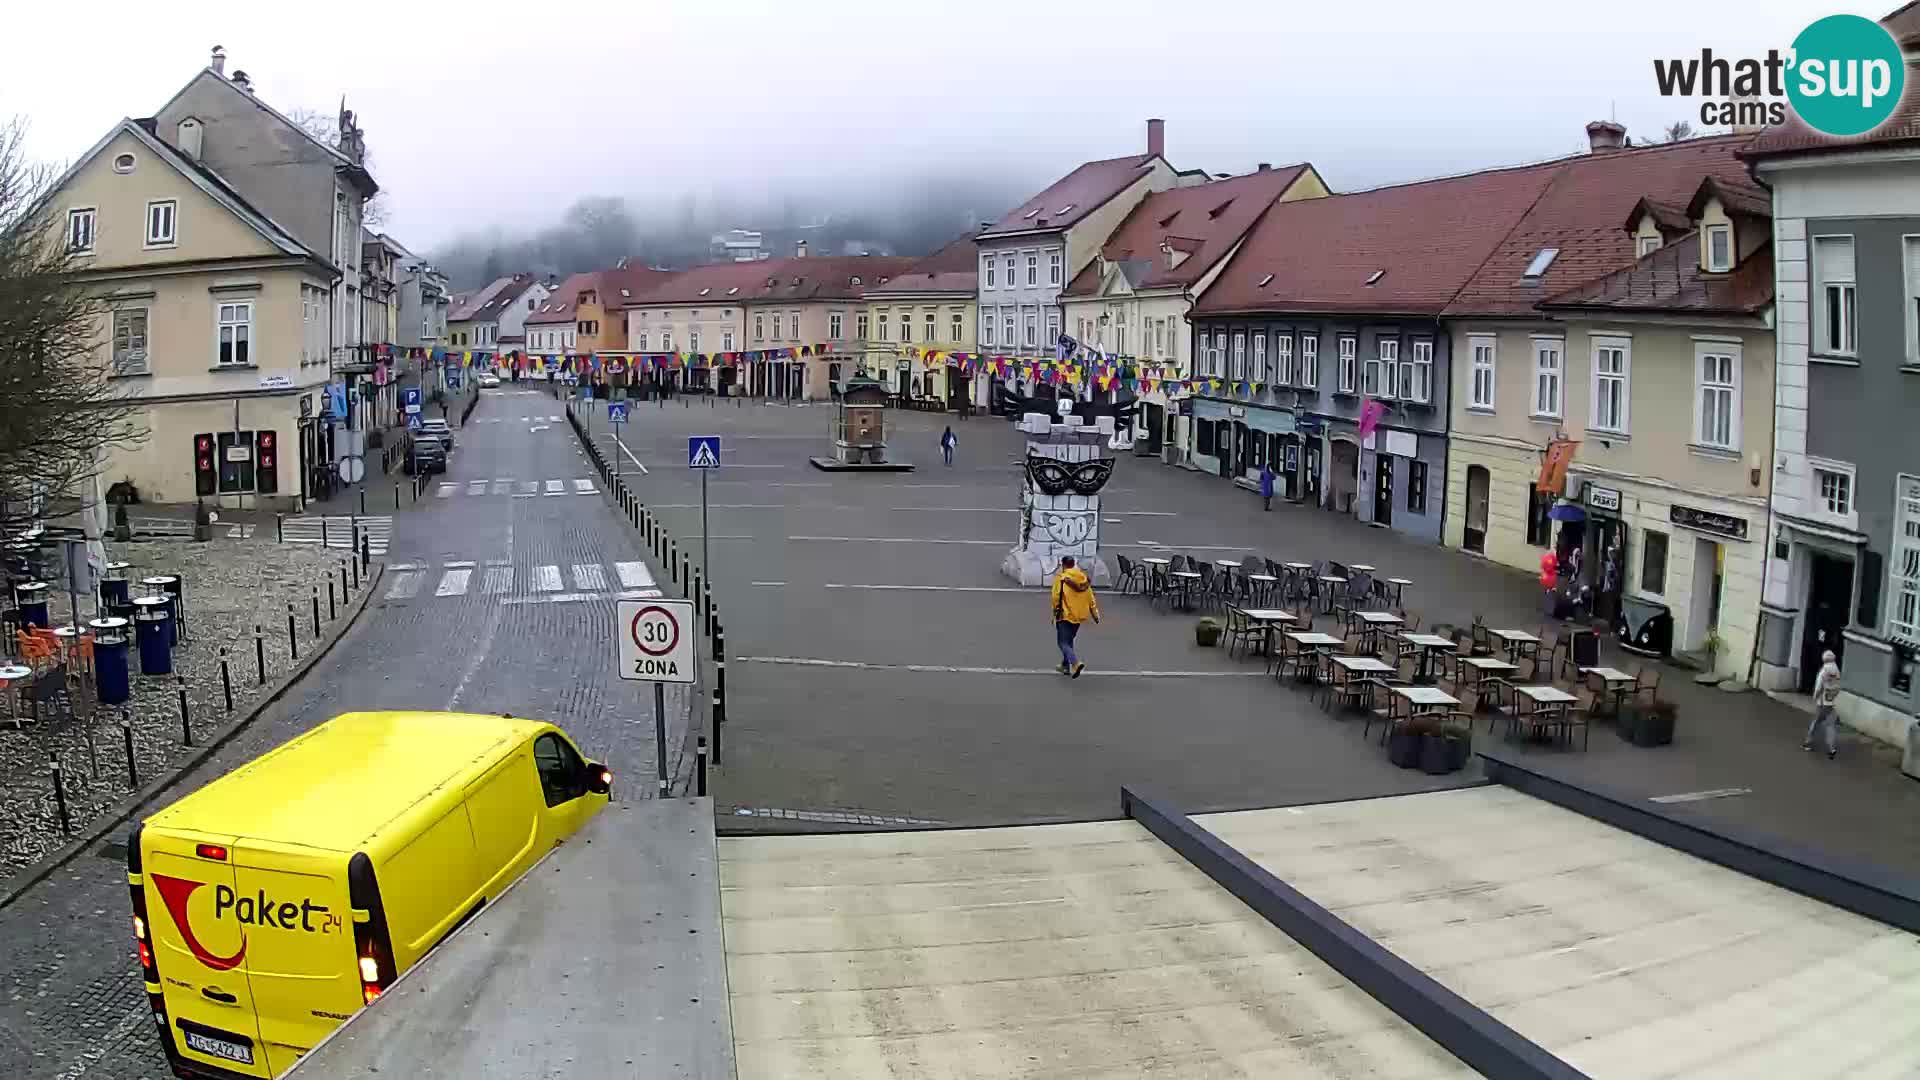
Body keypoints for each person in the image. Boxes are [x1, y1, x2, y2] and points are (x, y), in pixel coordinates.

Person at [1049, 555, 1100, 678]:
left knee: (1062, 643)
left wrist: (1055, 613)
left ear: (1064, 565)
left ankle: (1075, 663)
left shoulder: (1061, 579)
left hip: (1065, 614)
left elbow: (1056, 597)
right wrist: (1095, 613)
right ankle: (1065, 666)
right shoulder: (1083, 578)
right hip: (1079, 615)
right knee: (1069, 639)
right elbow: (1090, 597)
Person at [1804, 649, 1843, 759]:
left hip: (1822, 702)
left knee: (1816, 722)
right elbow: (1838, 686)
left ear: (1824, 659)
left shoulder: (1824, 671)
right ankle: (1832, 749)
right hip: (1830, 702)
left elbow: (1818, 686)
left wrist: (1815, 697)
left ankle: (1808, 743)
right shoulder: (1837, 670)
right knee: (1831, 725)